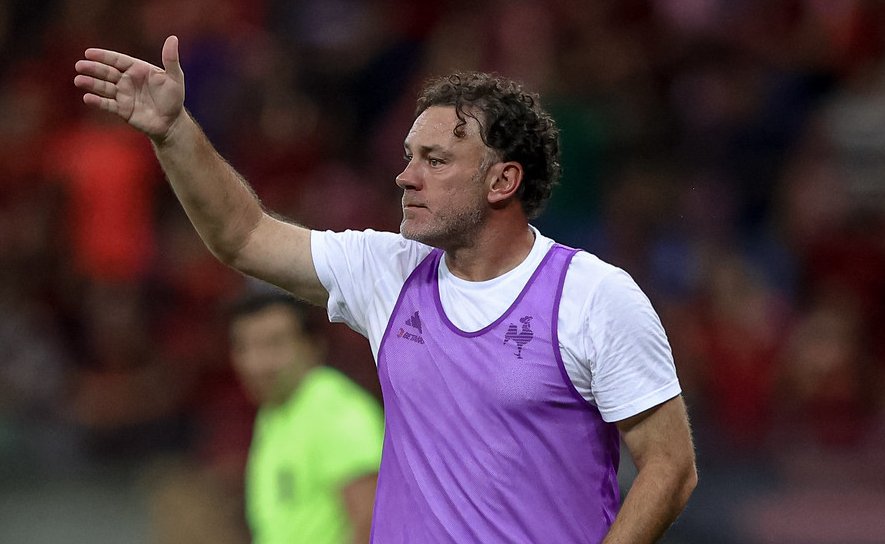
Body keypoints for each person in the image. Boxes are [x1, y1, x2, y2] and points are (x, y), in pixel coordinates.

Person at [74, 35, 697, 543]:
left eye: (434, 160)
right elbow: (243, 236)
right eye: (407, 156)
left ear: (502, 180)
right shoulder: (389, 272)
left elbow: (671, 467)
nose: (405, 176)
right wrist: (174, 131)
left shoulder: (593, 296)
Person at [228, 290, 383, 543]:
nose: (256, 362)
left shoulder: (334, 410)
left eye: (274, 344)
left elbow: (372, 522)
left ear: (313, 346)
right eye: (244, 346)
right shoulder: (274, 414)